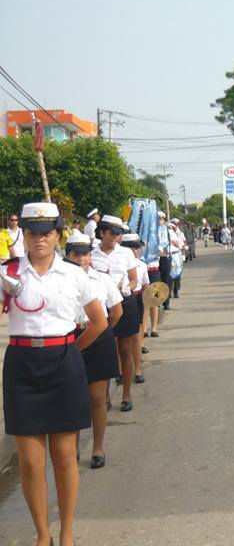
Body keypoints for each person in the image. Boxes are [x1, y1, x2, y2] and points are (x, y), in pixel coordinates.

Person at [2, 202, 107, 546]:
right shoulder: (9, 273)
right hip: (22, 363)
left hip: (63, 361)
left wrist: (72, 351)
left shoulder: (74, 274)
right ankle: (42, 534)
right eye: (32, 233)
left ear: (58, 234)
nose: (39, 239)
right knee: (31, 463)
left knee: (64, 457)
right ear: (25, 236)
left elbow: (99, 320)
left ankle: (66, 533)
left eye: (46, 232)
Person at [64, 232, 122, 469]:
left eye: (85, 254)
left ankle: (98, 447)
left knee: (97, 398)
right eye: (75, 254)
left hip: (98, 337)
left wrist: (102, 333)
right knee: (73, 398)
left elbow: (116, 312)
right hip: (69, 337)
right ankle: (73, 447)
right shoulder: (60, 280)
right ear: (67, 255)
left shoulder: (102, 280)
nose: (81, 259)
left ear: (91, 255)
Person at [91, 214, 140, 413]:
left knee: (125, 350)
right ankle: (104, 396)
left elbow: (134, 279)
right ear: (102, 233)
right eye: (112, 233)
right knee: (104, 351)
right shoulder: (92, 254)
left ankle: (126, 394)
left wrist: (128, 287)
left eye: (119, 234)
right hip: (101, 307)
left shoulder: (126, 253)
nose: (115, 237)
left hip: (124, 302)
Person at [121, 233, 149, 382]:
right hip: (118, 298)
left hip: (135, 297)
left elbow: (145, 285)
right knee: (119, 340)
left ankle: (137, 370)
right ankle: (121, 371)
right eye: (135, 248)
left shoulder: (141, 265)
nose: (138, 251)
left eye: (139, 248)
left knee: (135, 336)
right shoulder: (117, 261)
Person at [157, 211, 173, 310]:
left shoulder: (167, 230)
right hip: (154, 258)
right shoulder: (151, 230)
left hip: (165, 257)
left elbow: (169, 243)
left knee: (166, 280)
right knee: (156, 281)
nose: (159, 221)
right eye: (158, 219)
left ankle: (166, 302)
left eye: (161, 219)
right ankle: (157, 301)